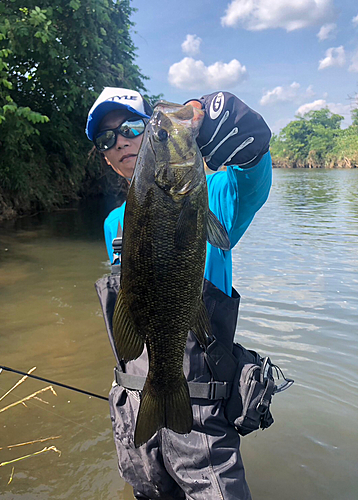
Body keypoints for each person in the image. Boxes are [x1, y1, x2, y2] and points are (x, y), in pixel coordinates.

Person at [86, 87, 272, 499]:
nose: (120, 142)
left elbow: (252, 179)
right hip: (135, 405)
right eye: (106, 139)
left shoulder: (217, 195)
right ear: (104, 155)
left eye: (132, 129)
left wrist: (250, 142)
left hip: (200, 413)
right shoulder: (114, 224)